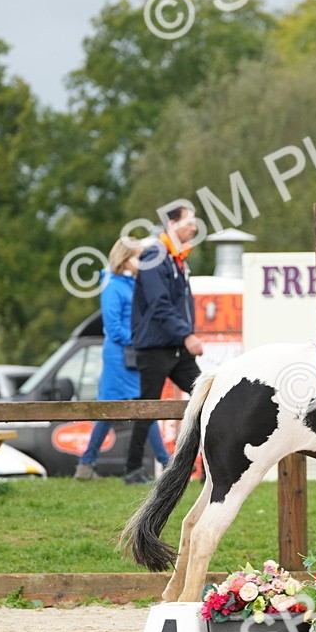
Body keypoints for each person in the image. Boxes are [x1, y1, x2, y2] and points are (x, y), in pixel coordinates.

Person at [74, 238, 171, 480]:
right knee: (137, 407)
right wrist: (143, 340)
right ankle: (167, 462)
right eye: (138, 257)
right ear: (124, 259)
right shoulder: (113, 285)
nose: (143, 262)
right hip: (120, 356)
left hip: (130, 352)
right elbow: (114, 326)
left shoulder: (131, 283)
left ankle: (86, 464)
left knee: (115, 410)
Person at [122, 206, 204, 484]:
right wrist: (187, 335)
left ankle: (209, 468)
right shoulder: (156, 256)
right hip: (156, 348)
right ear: (172, 223)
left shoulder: (175, 258)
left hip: (176, 348)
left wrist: (184, 335)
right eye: (190, 222)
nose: (194, 228)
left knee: (206, 397)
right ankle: (133, 468)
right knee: (148, 408)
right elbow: (159, 305)